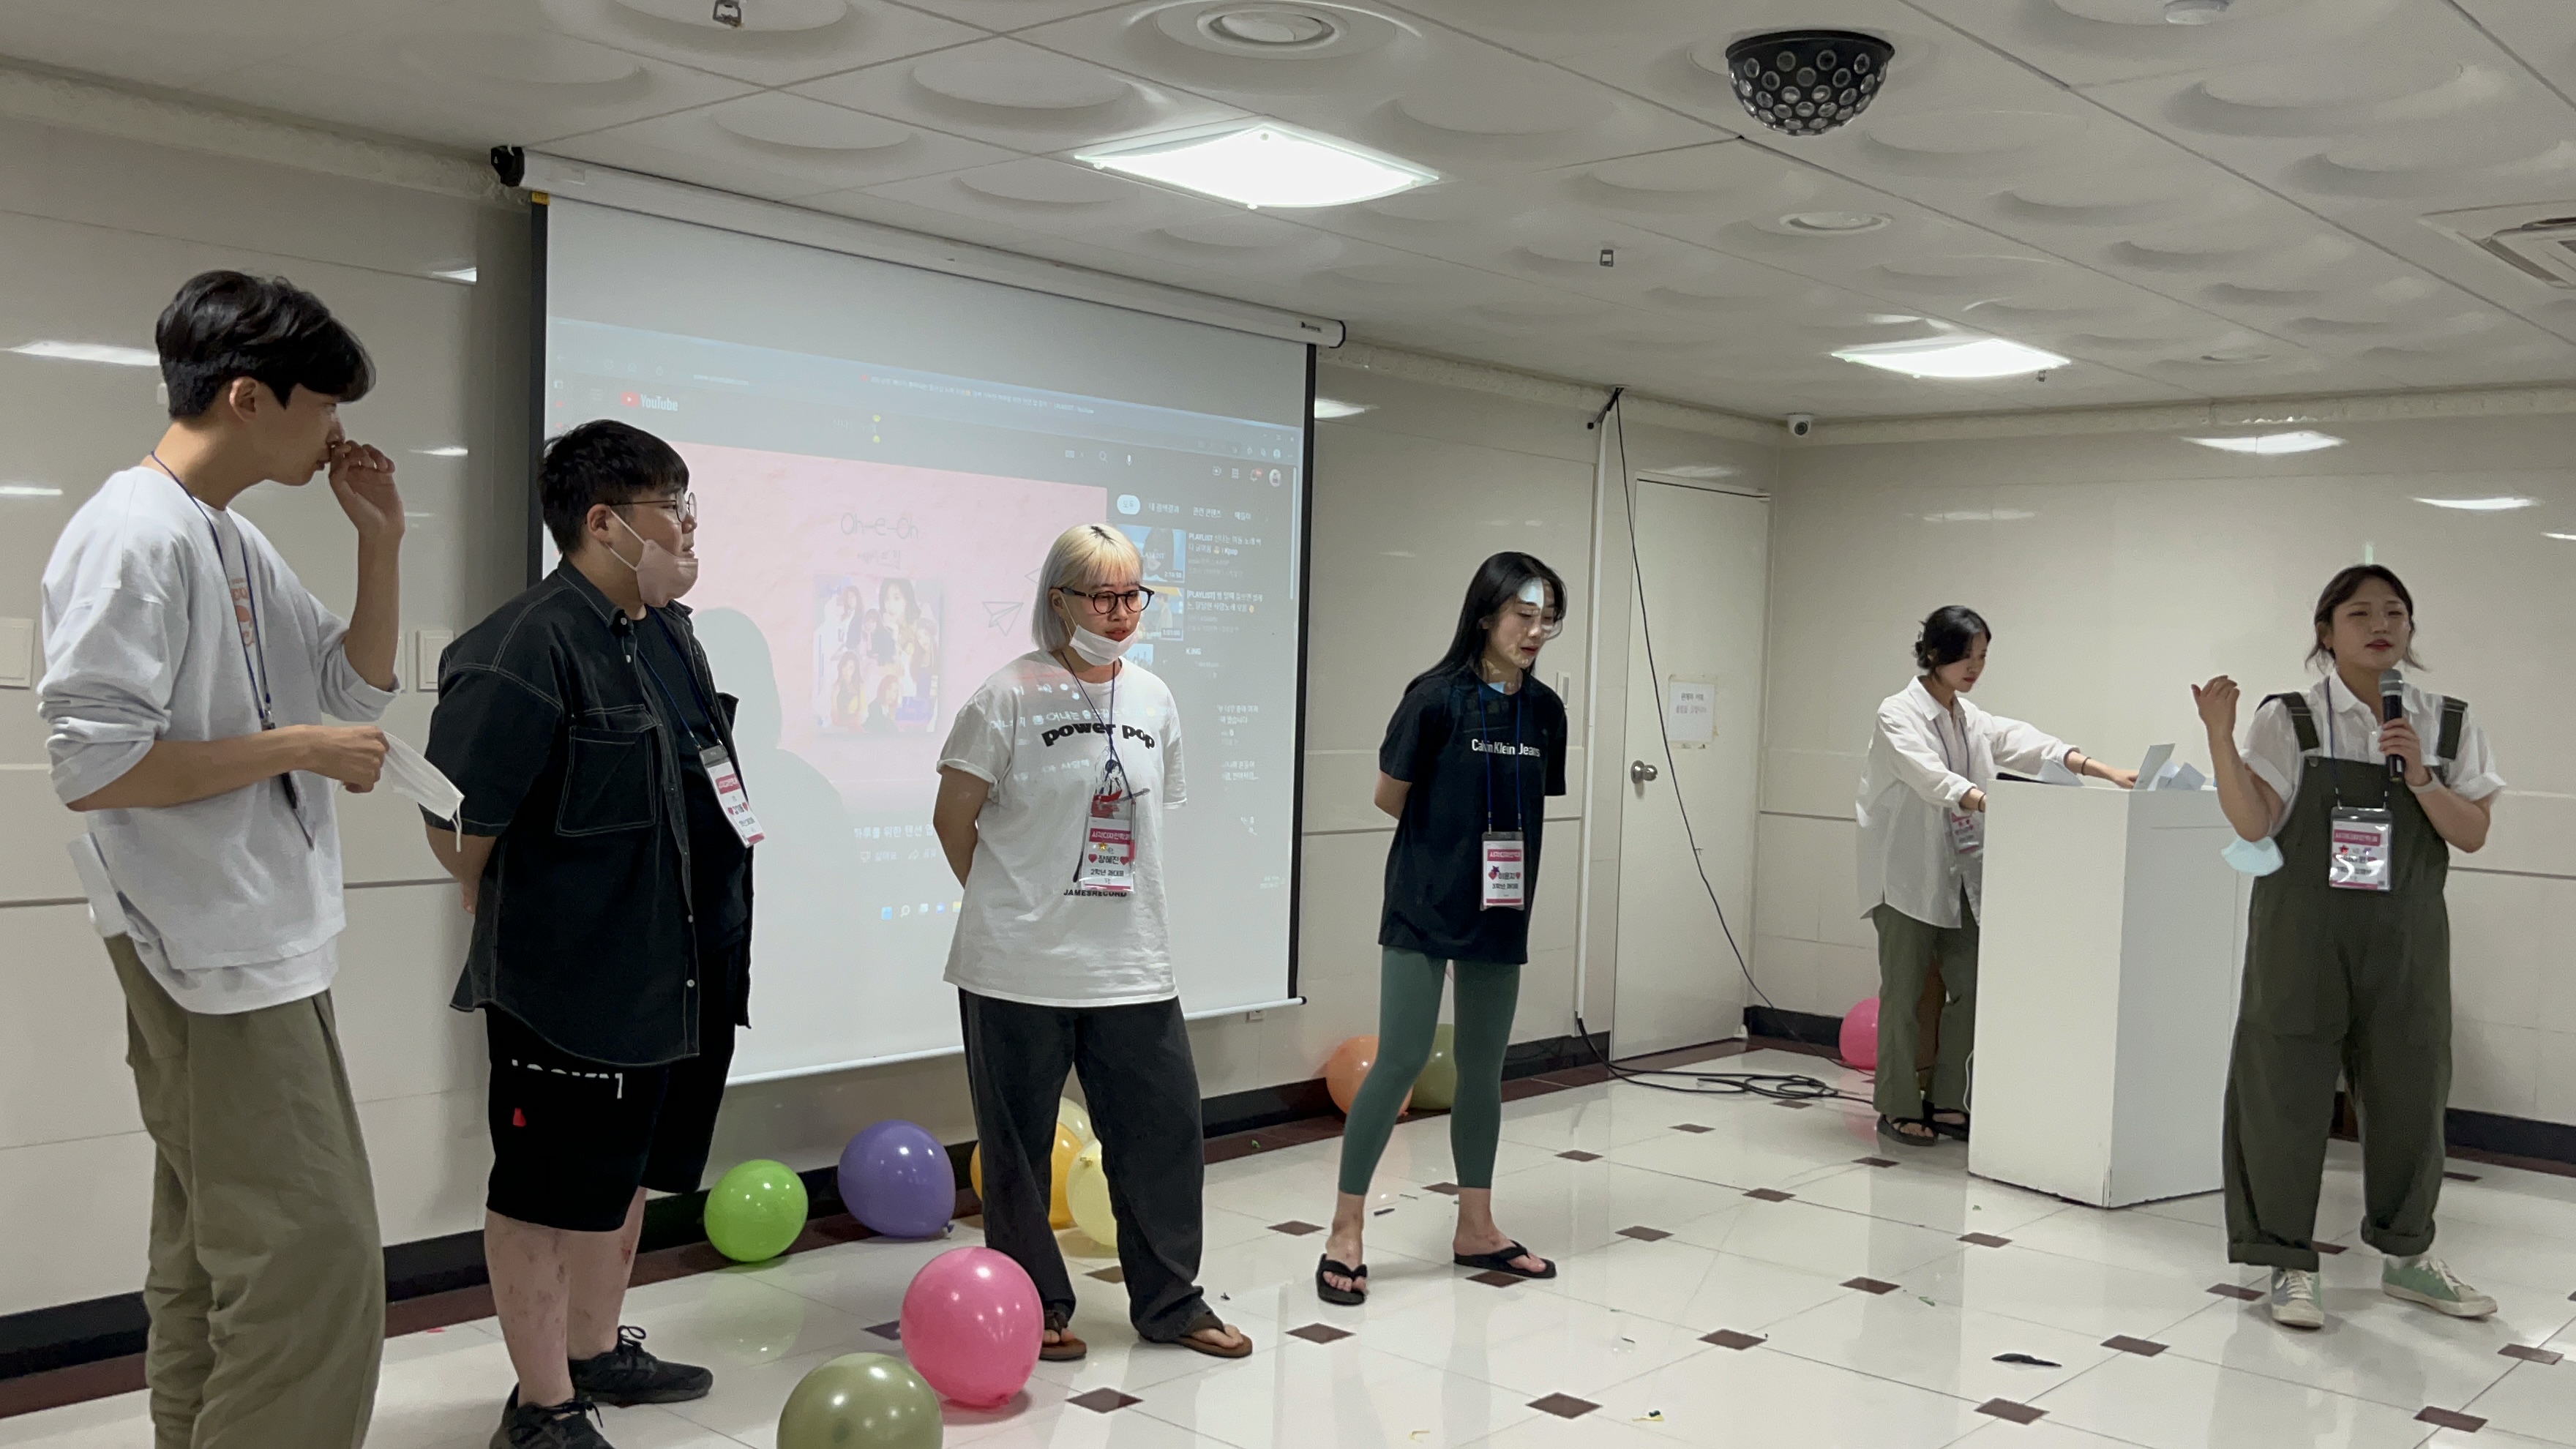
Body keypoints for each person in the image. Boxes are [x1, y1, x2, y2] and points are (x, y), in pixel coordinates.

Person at [37, 270, 399, 1449]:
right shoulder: (135, 534)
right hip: (208, 946)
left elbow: (352, 690)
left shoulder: (226, 536)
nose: (334, 430)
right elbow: (95, 766)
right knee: (313, 1262)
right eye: (322, 404)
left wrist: (381, 543)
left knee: (214, 1250)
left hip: (253, 939)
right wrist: (298, 747)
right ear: (249, 397)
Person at [423, 421, 753, 1449]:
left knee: (626, 1176)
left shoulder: (668, 633)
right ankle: (541, 1406)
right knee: (540, 1196)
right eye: (672, 509)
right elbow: (457, 829)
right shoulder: (524, 645)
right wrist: (507, 900)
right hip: (570, 985)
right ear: (604, 523)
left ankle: (597, 1349)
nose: (689, 530)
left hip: (677, 970)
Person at [931, 523, 1250, 1362]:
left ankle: (1171, 1302)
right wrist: (1013, 902)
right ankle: (1034, 1304)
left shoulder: (1153, 698)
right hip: (1016, 966)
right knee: (1018, 1153)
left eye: (1133, 595)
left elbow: (1148, 818)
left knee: (1164, 1136)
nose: (1121, 612)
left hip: (1131, 963)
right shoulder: (1004, 696)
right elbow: (952, 820)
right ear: (1059, 600)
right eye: (1102, 596)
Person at [2195, 564, 2504, 1332]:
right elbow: (2254, 823)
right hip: (2302, 932)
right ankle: (2286, 1262)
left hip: (2405, 937)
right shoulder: (2290, 717)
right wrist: (2219, 738)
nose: (2380, 625)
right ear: (2326, 633)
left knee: (2412, 1089)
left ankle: (2408, 1255)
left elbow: (2472, 833)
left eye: (2395, 612)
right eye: (2360, 613)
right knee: (2284, 1086)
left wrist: (2421, 775)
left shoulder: (2446, 720)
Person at [1317, 553, 1572, 1306]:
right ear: (1486, 615)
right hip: (1424, 902)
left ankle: (1477, 1227)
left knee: (1482, 1066)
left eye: (1548, 619)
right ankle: (1345, 1231)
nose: (1535, 632)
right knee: (1399, 1058)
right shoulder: (1433, 698)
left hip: (1502, 904)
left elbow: (1534, 802)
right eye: (1523, 615)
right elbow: (1388, 795)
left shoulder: (1546, 711)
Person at [1854, 606, 2136, 1147]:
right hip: (1906, 880)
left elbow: (2030, 744)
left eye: (1983, 657)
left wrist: (2102, 770)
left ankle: (1947, 1100)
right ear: (1933, 654)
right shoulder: (1897, 714)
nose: (1975, 668)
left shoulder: (1970, 719)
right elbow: (1929, 776)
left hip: (1961, 878)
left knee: (1974, 988)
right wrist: (1987, 800)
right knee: (1905, 997)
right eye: (1966, 657)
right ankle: (1897, 1104)